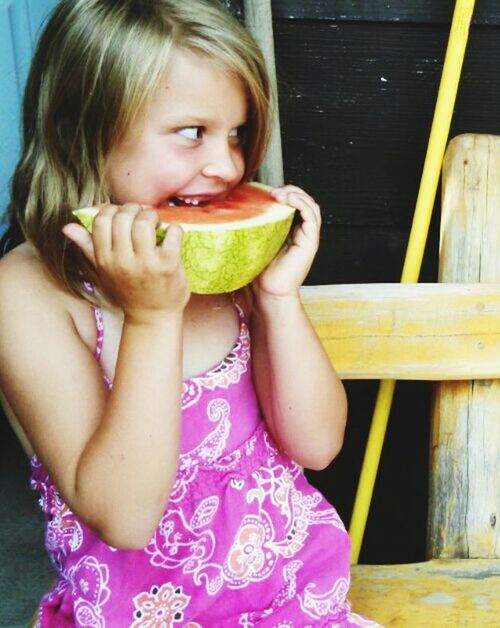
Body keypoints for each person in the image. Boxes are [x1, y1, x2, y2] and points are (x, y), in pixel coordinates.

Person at [0, 1, 374, 624]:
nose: (227, 166)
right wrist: (153, 318)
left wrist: (277, 299)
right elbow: (124, 516)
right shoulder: (26, 295)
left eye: (237, 133)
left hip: (297, 606)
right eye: (191, 132)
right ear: (81, 130)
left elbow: (317, 444)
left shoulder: (226, 270)